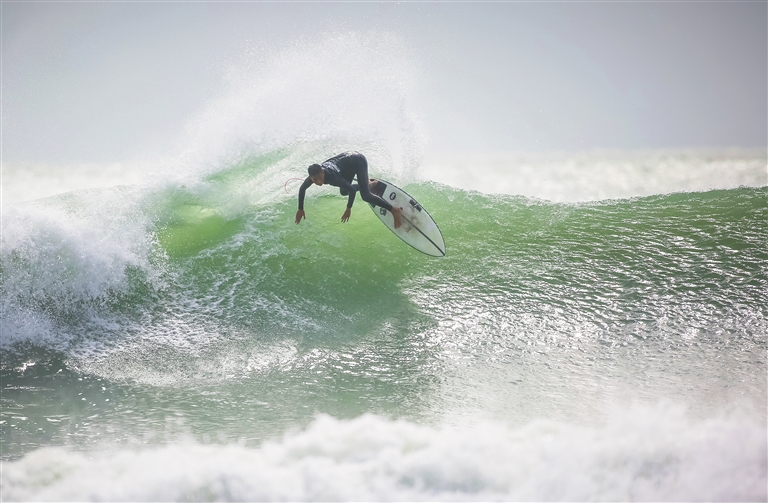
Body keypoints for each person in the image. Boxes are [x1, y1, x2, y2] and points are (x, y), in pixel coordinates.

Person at [295, 152, 403, 228]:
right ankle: (367, 183)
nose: (318, 182)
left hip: (358, 161)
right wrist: (300, 208)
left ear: (322, 172)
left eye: (320, 178)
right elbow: (302, 189)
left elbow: (352, 190)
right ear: (310, 177)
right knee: (343, 192)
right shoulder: (311, 178)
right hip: (346, 167)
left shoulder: (333, 178)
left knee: (366, 196)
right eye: (315, 180)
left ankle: (394, 210)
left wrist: (348, 208)